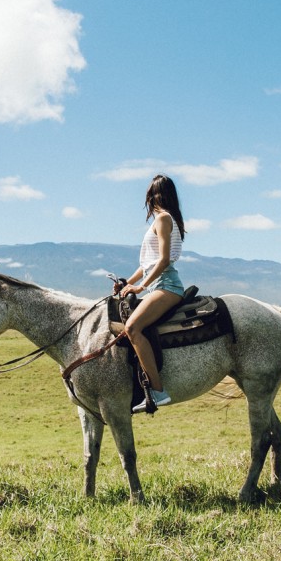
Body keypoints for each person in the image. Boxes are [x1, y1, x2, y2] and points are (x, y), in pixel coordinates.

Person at [113, 174, 187, 413]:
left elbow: (164, 260)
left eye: (151, 195)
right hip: (156, 283)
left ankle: (157, 391)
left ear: (155, 196)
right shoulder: (164, 219)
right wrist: (128, 283)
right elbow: (147, 264)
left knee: (132, 328)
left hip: (166, 286)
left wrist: (141, 287)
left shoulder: (164, 219)